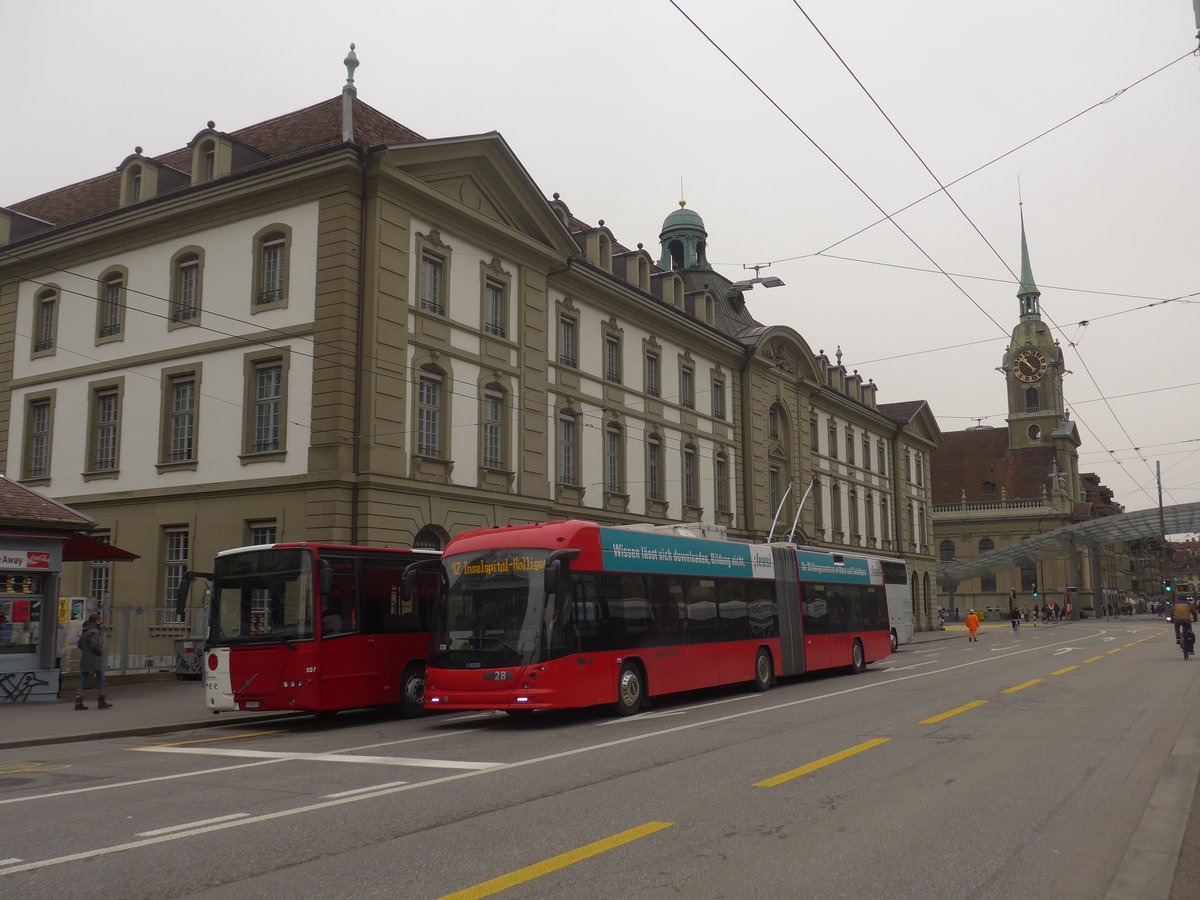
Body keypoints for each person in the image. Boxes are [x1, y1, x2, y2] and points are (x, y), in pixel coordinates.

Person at [75, 613, 111, 710]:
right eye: (99, 620)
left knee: (83, 678)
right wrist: (100, 652)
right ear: (96, 621)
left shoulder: (85, 630)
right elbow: (94, 645)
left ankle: (78, 701)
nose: (100, 622)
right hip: (94, 659)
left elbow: (79, 645)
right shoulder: (95, 631)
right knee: (100, 677)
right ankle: (101, 700)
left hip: (85, 658)